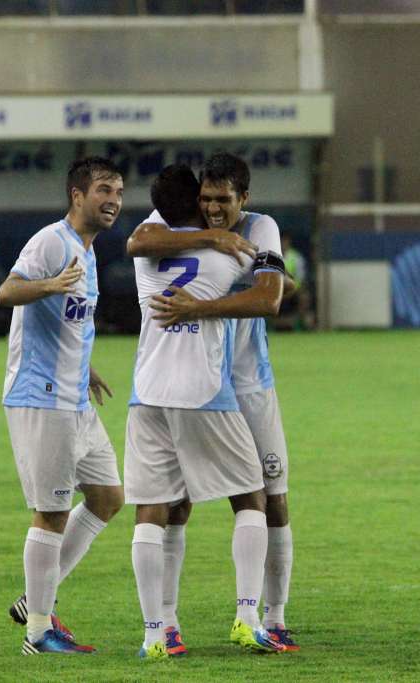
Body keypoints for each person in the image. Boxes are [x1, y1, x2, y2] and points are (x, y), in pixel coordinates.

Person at [127, 153, 301, 654]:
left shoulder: (261, 228)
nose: (214, 209)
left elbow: (270, 298)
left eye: (224, 200)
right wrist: (211, 238)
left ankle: (273, 616)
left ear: (244, 198)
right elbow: (138, 240)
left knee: (273, 499)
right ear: (195, 198)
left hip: (244, 384)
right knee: (187, 505)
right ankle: (177, 623)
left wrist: (199, 304)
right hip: (205, 387)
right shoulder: (193, 227)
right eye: (206, 199)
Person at [0, 157, 125, 655]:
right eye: (103, 190)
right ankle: (38, 632)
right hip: (42, 396)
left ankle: (36, 600)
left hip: (75, 397)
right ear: (77, 195)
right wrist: (47, 285)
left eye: (118, 191)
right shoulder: (51, 241)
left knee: (108, 497)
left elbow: (72, 320)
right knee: (50, 512)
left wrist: (86, 367)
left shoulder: (87, 252)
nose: (113, 200)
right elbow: (7, 291)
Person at [278, 232, 315, 331]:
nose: (283, 243)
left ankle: (306, 327)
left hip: (293, 291)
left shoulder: (296, 257)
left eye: (285, 241)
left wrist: (291, 290)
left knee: (304, 297)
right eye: (281, 241)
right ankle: (276, 324)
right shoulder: (273, 256)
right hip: (276, 291)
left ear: (288, 242)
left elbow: (300, 279)